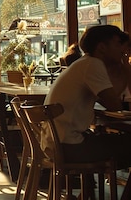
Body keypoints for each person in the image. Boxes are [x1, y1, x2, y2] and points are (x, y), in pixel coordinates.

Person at [43, 25, 131, 196]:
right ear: (102, 47)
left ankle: (88, 193)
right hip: (70, 146)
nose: (123, 49)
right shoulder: (93, 65)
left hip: (58, 143)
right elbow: (115, 105)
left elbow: (111, 99)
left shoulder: (84, 64)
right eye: (119, 43)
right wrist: (126, 68)